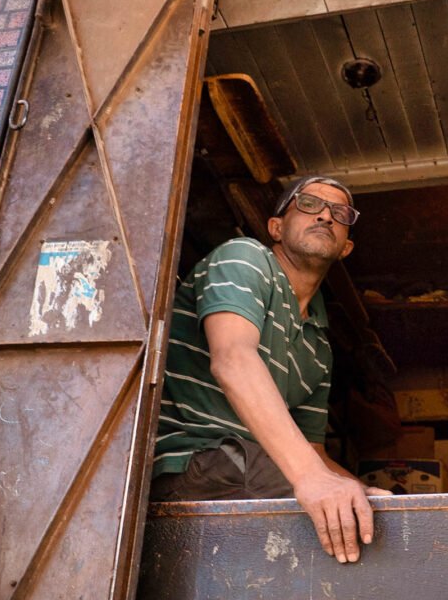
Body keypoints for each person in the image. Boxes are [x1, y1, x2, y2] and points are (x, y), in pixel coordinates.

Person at [151, 175, 389, 563]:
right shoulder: (245, 259)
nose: (325, 216)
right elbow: (232, 360)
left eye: (339, 212)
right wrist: (311, 478)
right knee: (346, 528)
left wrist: (359, 488)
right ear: (276, 228)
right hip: (199, 459)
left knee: (369, 517)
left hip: (253, 469)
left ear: (346, 247)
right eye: (309, 204)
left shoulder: (318, 345)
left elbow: (312, 451)